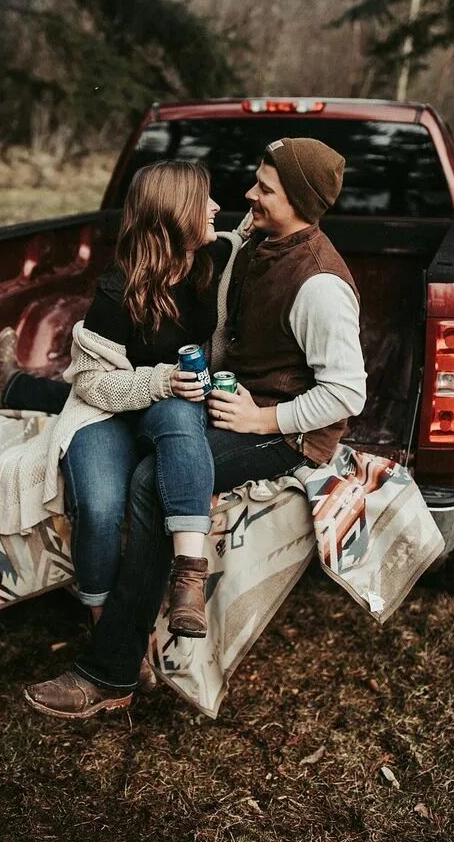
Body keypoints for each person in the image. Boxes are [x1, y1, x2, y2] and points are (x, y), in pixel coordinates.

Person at [22, 136, 368, 719]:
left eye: (265, 189)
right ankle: (134, 640)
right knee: (150, 471)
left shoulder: (320, 285)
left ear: (301, 203)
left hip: (286, 432)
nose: (248, 195)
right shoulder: (253, 243)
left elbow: (347, 393)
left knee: (150, 484)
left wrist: (265, 418)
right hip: (231, 403)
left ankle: (111, 668)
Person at [0, 160, 237, 641]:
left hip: (171, 413)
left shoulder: (216, 265)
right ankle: (108, 632)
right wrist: (163, 381)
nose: (216, 208)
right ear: (175, 211)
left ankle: (188, 578)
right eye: (205, 200)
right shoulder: (118, 289)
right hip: (107, 412)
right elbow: (92, 383)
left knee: (180, 413)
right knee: (98, 507)